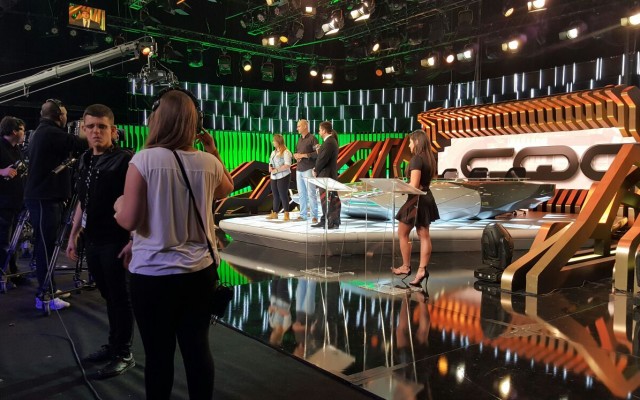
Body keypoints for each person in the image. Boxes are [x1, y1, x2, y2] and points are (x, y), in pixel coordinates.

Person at [114, 89, 234, 399]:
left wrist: (118, 205)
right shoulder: (208, 163)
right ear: (195, 123)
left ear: (157, 120)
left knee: (158, 356)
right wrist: (212, 149)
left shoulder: (143, 159)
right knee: (197, 351)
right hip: (199, 274)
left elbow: (129, 219)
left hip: (152, 276)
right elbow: (226, 189)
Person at [65, 104, 135, 379]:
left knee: (120, 297)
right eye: (91, 126)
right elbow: (83, 200)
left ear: (113, 130)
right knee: (108, 295)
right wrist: (73, 234)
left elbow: (138, 202)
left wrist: (134, 239)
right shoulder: (84, 159)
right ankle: (114, 345)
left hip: (116, 240)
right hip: (92, 240)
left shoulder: (125, 161)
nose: (96, 131)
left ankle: (124, 352)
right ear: (83, 129)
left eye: (102, 127)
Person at [25, 98, 87, 310]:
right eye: (65, 114)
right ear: (59, 116)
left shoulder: (41, 132)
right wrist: (89, 132)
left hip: (43, 197)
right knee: (45, 246)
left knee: (47, 245)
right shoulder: (50, 132)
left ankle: (49, 288)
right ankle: (45, 296)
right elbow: (79, 143)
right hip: (44, 198)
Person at [391, 130, 440, 287]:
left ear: (417, 142)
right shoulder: (429, 159)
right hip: (426, 197)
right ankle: (421, 270)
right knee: (424, 235)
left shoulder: (416, 159)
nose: (409, 145)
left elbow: (414, 185)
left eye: (411, 142)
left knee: (402, 232)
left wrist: (398, 187)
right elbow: (420, 184)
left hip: (417, 200)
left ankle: (406, 266)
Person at [0, 116, 27, 284]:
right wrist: (1, 171)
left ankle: (13, 272)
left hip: (16, 202)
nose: (24, 133)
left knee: (15, 240)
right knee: (3, 240)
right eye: (22, 130)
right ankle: (3, 275)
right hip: (3, 203)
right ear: (14, 131)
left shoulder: (16, 148)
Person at [311, 121, 341, 229]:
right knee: (327, 200)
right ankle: (326, 220)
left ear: (324, 131)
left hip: (326, 175)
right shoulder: (329, 141)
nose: (318, 132)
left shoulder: (329, 142)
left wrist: (315, 169)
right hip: (327, 175)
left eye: (319, 130)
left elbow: (323, 160)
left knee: (329, 200)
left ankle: (331, 222)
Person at [293, 119, 319, 223]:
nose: (297, 128)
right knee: (301, 194)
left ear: (305, 126)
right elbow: (297, 152)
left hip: (308, 169)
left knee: (311, 193)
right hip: (299, 169)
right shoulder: (299, 139)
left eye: (299, 126)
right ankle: (303, 215)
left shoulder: (313, 138)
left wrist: (303, 155)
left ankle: (314, 216)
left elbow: (317, 153)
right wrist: (296, 156)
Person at [266, 134, 292, 221]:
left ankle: (286, 213)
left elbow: (287, 165)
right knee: (275, 195)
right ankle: (275, 213)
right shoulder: (273, 152)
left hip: (283, 175)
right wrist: (270, 167)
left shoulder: (286, 152)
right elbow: (270, 162)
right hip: (273, 176)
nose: (273, 142)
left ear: (278, 141)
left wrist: (277, 170)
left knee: (283, 194)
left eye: (274, 141)